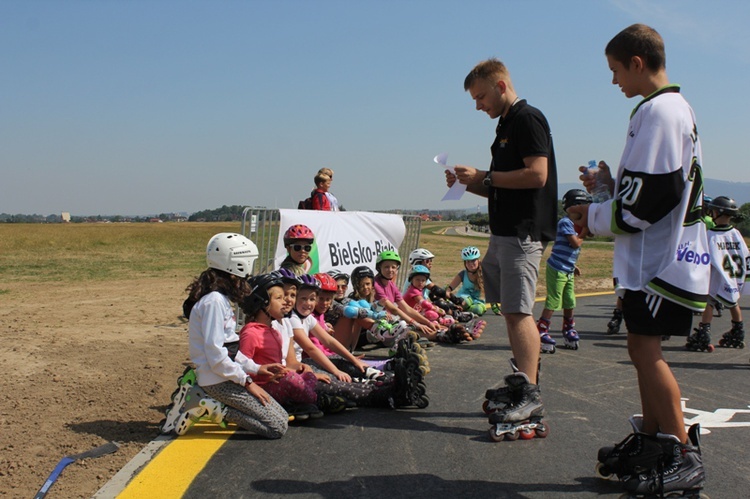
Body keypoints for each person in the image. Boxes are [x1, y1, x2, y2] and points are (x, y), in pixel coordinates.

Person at [566, 24, 707, 496]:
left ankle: (683, 454)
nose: (614, 82)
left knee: (647, 351)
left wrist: (593, 213)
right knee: (639, 350)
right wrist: (608, 186)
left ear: (637, 63)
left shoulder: (661, 110)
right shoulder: (665, 109)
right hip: (657, 259)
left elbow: (648, 201)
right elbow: (642, 190)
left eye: (615, 70)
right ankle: (654, 437)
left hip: (660, 263)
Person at [446, 57, 558, 434]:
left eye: (480, 97)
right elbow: (499, 182)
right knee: (510, 310)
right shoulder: (505, 125)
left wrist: (486, 176)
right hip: (506, 232)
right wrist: (469, 182)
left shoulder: (527, 119)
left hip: (523, 233)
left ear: (500, 85)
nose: (479, 105)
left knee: (518, 311)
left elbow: (537, 175)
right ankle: (524, 383)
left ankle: (530, 392)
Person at [161, 233, 289, 438]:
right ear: (236, 266)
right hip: (217, 380)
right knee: (277, 428)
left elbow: (230, 348)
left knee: (281, 417)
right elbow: (215, 355)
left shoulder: (219, 299)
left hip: (226, 376)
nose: (249, 272)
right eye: (249, 263)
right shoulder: (214, 302)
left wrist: (257, 368)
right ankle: (208, 405)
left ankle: (209, 401)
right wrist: (248, 382)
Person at [239, 272, 324, 420]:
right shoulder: (251, 332)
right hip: (263, 387)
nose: (285, 302)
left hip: (281, 382)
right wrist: (263, 375)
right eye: (279, 298)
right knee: (292, 379)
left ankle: (300, 405)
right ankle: (319, 401)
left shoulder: (275, 331)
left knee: (307, 375)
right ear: (263, 303)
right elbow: (241, 366)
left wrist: (299, 368)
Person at [686, 196, 748, 351]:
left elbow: (705, 256)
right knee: (732, 302)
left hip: (717, 276)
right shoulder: (736, 233)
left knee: (709, 302)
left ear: (718, 212)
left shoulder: (711, 235)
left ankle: (704, 331)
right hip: (732, 275)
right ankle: (738, 330)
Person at [536, 189, 591, 353]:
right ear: (573, 207)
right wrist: (585, 231)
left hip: (567, 269)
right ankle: (541, 330)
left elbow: (569, 250)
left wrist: (573, 265)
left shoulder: (574, 225)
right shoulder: (565, 223)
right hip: (557, 268)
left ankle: (568, 328)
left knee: (569, 300)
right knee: (554, 300)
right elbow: (575, 244)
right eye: (583, 206)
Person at [446, 246, 488, 317]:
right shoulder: (463, 274)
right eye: (468, 261)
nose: (471, 264)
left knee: (477, 310)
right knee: (466, 301)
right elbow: (450, 287)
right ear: (465, 263)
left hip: (478, 301)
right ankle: (460, 309)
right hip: (464, 297)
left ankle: (464, 311)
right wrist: (447, 293)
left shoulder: (484, 274)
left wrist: (495, 308)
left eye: (473, 260)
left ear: (478, 260)